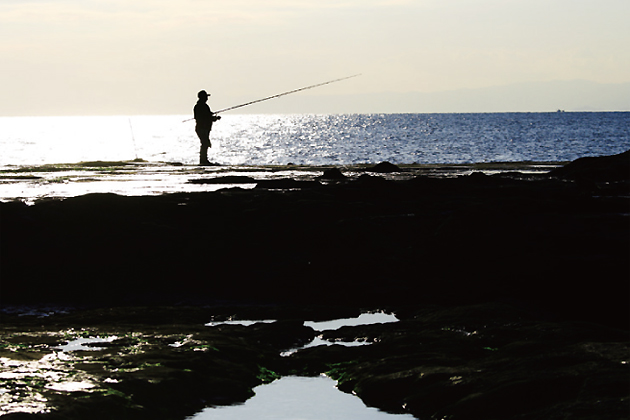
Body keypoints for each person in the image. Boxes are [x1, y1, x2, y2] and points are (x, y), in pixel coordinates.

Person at [193, 90, 221, 165]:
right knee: (205, 143)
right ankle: (203, 160)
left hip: (202, 128)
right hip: (202, 128)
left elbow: (206, 116)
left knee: (205, 143)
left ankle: (203, 159)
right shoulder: (202, 106)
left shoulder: (199, 106)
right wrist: (215, 118)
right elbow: (205, 117)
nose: (207, 98)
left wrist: (212, 117)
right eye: (206, 97)